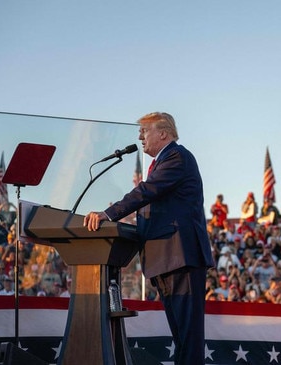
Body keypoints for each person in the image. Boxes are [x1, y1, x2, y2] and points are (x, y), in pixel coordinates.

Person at [83, 112, 214, 365]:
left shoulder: (177, 156)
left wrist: (109, 214)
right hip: (166, 259)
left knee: (189, 339)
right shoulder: (163, 162)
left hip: (180, 257)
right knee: (181, 338)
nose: (140, 137)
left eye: (145, 131)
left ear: (163, 133)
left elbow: (147, 191)